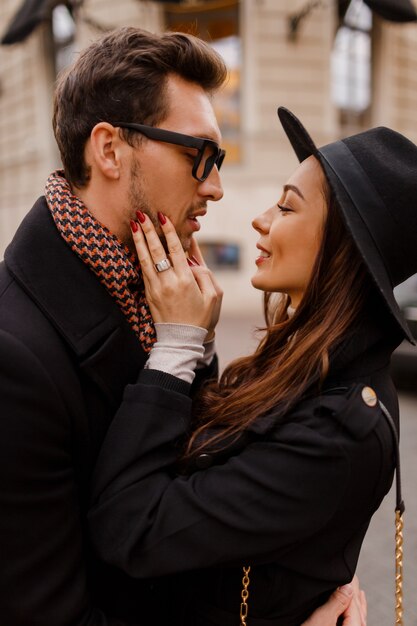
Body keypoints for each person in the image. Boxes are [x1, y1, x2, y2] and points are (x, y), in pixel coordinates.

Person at [0, 27, 361, 626]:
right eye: (200, 156)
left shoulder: (165, 296)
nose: (215, 186)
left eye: (217, 161)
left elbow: (188, 514)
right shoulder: (15, 356)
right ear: (110, 150)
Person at [88, 106, 417, 625]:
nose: (260, 220)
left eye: (287, 208)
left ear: (342, 248)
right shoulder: (312, 361)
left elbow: (132, 527)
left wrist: (177, 344)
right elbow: (217, 457)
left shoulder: (341, 432)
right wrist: (199, 341)